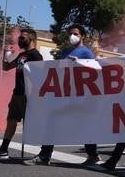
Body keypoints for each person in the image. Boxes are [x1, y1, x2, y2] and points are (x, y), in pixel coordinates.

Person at [25, 24, 100, 166]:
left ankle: (93, 155)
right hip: (65, 93)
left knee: (84, 125)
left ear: (82, 36)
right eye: (70, 33)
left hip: (80, 95)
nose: (72, 36)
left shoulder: (86, 52)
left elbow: (95, 70)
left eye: (76, 33)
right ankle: (44, 155)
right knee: (52, 122)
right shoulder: (65, 51)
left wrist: (78, 63)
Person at [0, 29, 43, 159]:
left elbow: (40, 76)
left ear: (31, 39)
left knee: (33, 124)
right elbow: (6, 67)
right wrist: (7, 54)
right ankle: (3, 150)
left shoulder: (36, 56)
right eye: (20, 37)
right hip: (17, 93)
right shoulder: (22, 55)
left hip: (28, 95)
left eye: (23, 38)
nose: (20, 40)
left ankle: (44, 152)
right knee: (11, 121)